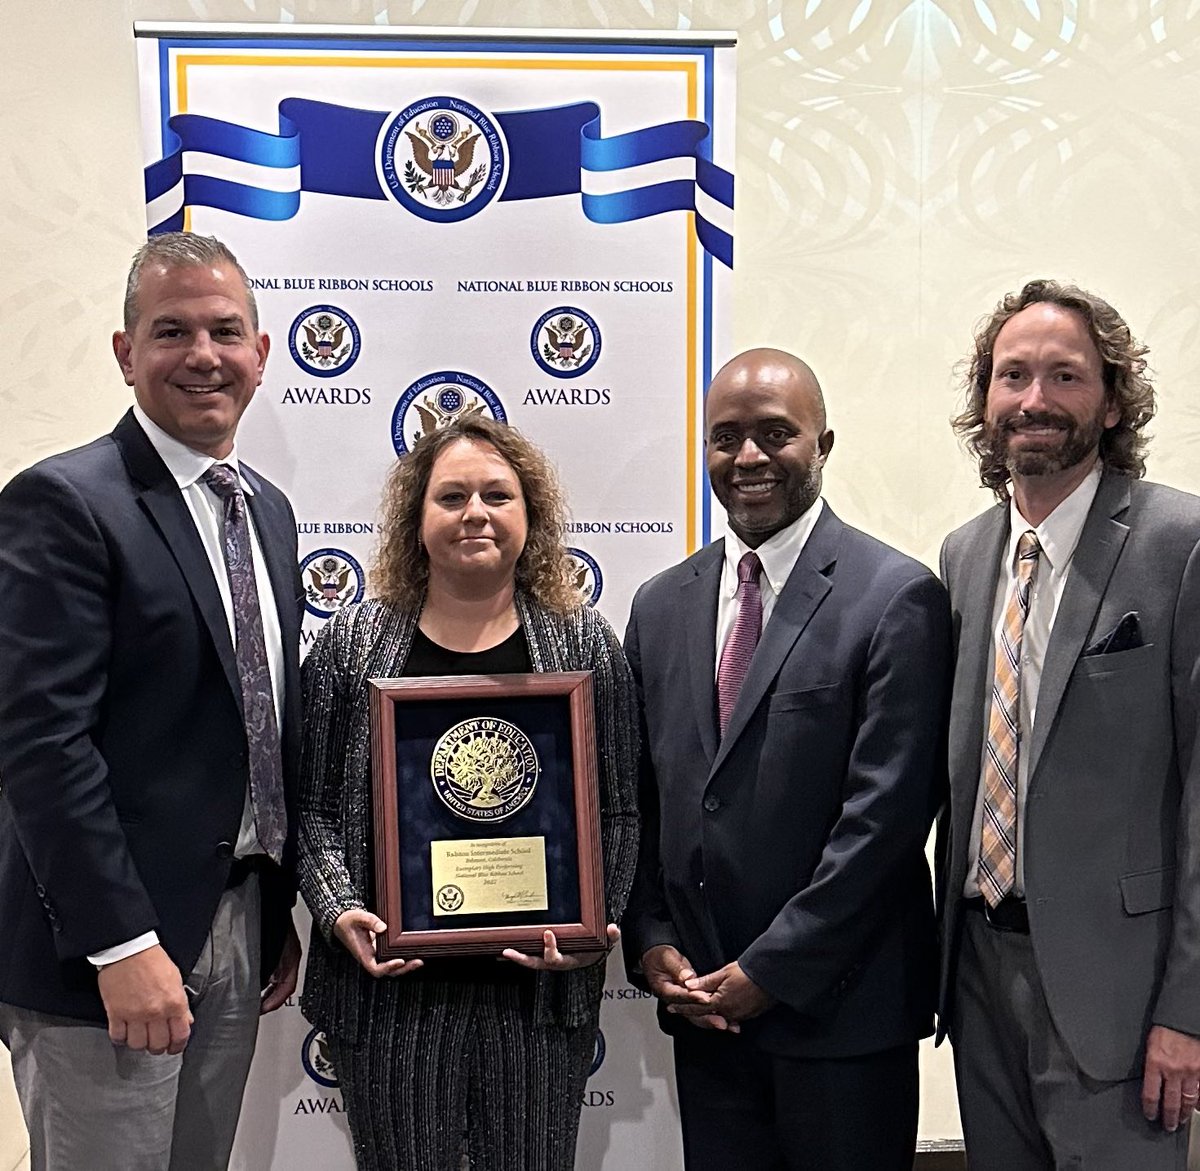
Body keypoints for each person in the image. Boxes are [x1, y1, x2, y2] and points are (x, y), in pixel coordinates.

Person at [0, 232, 303, 1170]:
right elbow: (42, 743)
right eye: (172, 331)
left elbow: (249, 720)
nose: (203, 355)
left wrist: (274, 907)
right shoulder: (66, 501)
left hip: (238, 918)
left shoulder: (269, 510)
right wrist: (118, 941)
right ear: (127, 353)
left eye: (225, 331)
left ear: (261, 352)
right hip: (109, 947)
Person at [622, 347, 952, 1170]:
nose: (749, 458)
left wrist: (769, 968)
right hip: (705, 1014)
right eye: (726, 437)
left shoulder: (895, 596)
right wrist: (653, 937)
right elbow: (643, 799)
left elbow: (886, 820)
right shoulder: (661, 604)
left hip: (838, 1014)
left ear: (824, 444)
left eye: (777, 434)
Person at [297, 415, 639, 1170]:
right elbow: (313, 810)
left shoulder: (584, 643)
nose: (475, 512)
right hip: (394, 995)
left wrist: (589, 924)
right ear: (417, 518)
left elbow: (618, 809)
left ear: (531, 515)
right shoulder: (354, 643)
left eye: (497, 494)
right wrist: (338, 905)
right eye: (451, 496)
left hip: (536, 995)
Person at [938, 279, 1200, 1168]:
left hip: (1123, 1001)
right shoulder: (965, 554)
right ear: (986, 401)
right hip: (977, 974)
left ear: (1114, 399)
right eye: (1012, 376)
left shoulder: (1180, 542)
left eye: (1065, 376)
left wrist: (1187, 1010)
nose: (1035, 400)